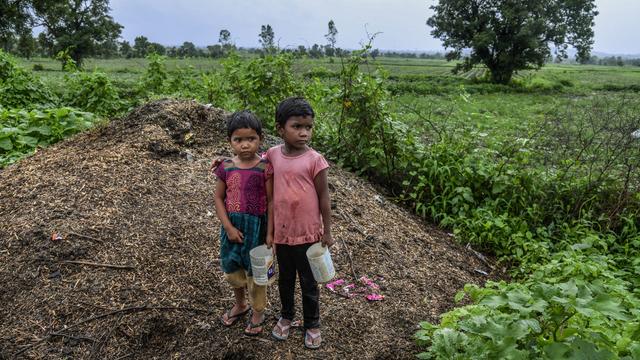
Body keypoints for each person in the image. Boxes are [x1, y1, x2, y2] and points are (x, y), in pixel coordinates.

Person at [266, 97, 333, 349]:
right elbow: (249, 161)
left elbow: (324, 197)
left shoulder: (315, 160)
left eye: (309, 127)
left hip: (307, 235)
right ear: (280, 128)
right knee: (285, 280)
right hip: (283, 234)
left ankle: (312, 323)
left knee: (308, 281)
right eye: (297, 126)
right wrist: (225, 163)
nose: (304, 132)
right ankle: (286, 316)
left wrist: (327, 230)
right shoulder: (272, 155)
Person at [213, 110, 273, 336]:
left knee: (258, 273)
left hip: (258, 227)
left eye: (251, 139)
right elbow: (218, 197)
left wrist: (270, 233)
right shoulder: (226, 167)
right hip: (232, 226)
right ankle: (241, 304)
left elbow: (271, 200)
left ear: (260, 139)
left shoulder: (265, 167)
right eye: (238, 140)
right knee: (232, 267)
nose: (245, 145)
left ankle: (258, 310)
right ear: (230, 141)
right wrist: (228, 227)